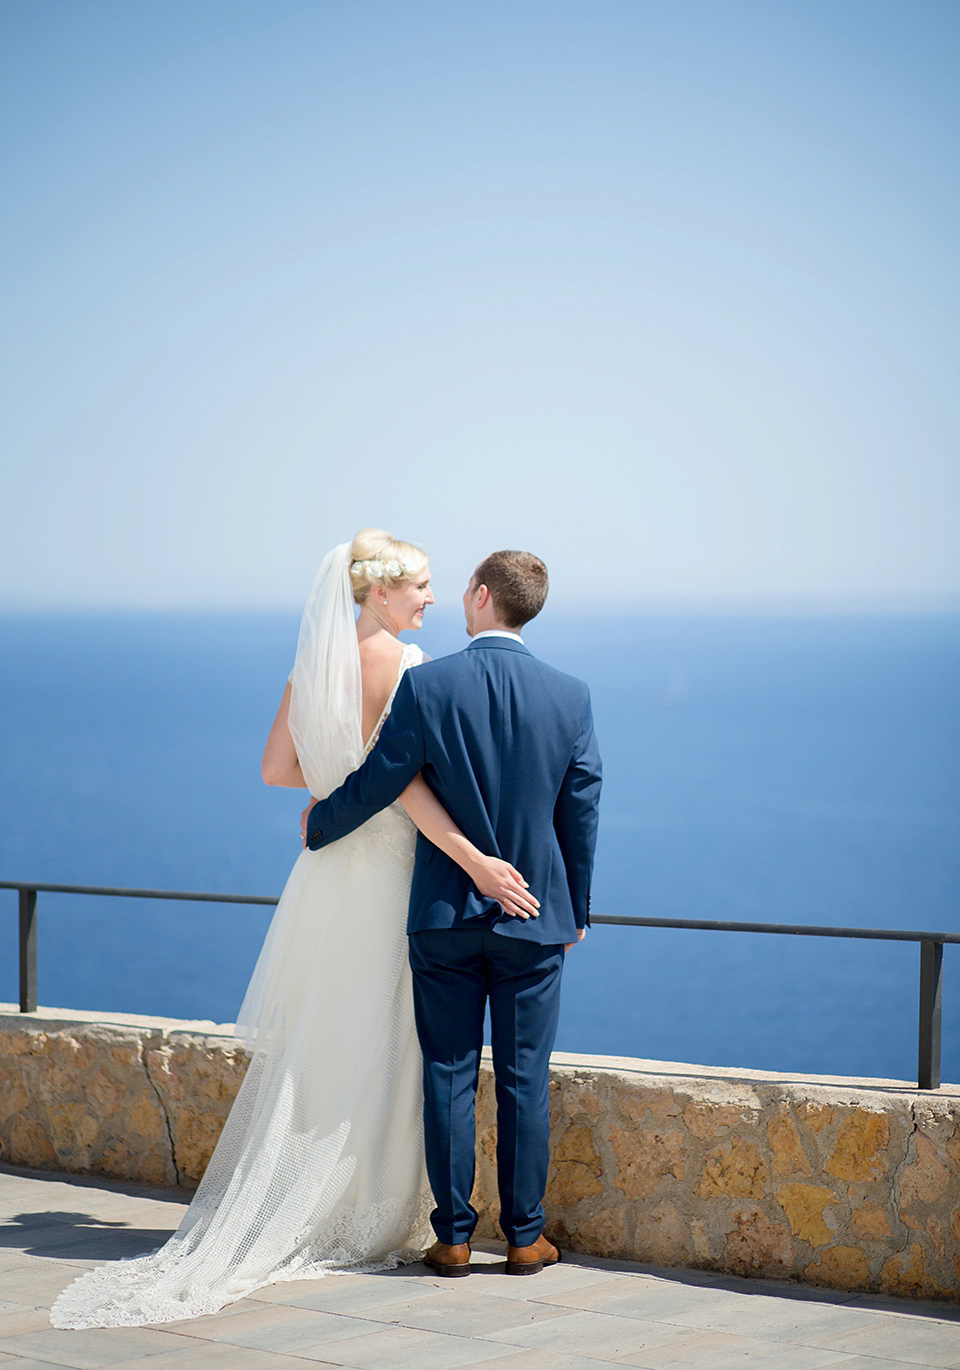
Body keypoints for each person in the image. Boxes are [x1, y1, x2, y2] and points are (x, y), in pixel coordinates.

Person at [51, 530, 536, 1328]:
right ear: (378, 591)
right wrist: (476, 859)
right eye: (417, 584)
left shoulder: (316, 665)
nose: (429, 598)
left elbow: (278, 769)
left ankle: (319, 1198)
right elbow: (406, 787)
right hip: (388, 877)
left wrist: (333, 787)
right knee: (390, 1039)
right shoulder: (409, 669)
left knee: (327, 1037)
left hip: (327, 872)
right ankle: (371, 1207)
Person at [306, 550, 602, 1276]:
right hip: (535, 918)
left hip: (444, 916)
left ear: (479, 595)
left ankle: (455, 1236)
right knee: (526, 1077)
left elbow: (382, 779)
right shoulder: (571, 695)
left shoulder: (428, 684)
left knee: (448, 1071)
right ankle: (527, 1237)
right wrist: (578, 907)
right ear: (527, 607)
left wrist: (320, 823)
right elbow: (582, 806)